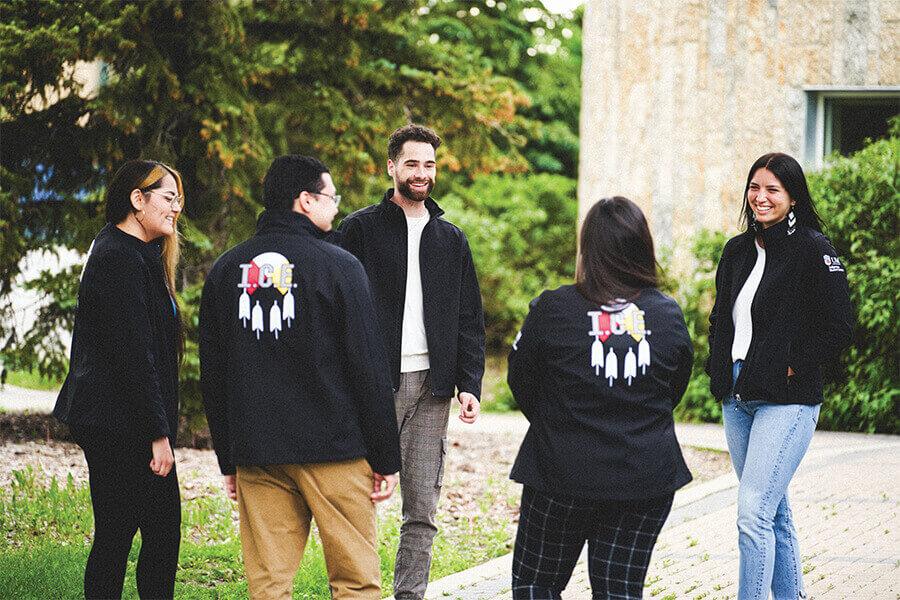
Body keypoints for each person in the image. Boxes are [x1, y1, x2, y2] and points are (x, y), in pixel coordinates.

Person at [199, 155, 401, 599]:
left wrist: (228, 457)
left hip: (258, 449)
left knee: (268, 584)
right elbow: (369, 367)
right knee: (355, 582)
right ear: (306, 201)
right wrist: (386, 457)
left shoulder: (225, 272)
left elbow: (213, 375)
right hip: (335, 450)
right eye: (332, 197)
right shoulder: (340, 267)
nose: (337, 207)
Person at [507, 196, 694, 599]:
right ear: (642, 246)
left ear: (587, 247)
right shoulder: (668, 315)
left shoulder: (552, 308)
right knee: (619, 593)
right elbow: (672, 387)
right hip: (642, 477)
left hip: (560, 473)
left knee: (534, 586)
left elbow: (521, 380)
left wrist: (558, 421)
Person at [337, 124, 485, 599]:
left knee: (421, 508)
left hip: (434, 387)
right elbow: (336, 310)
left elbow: (469, 317)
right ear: (391, 167)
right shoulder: (358, 230)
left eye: (429, 164)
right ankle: (360, 591)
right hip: (373, 385)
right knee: (357, 500)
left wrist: (470, 384)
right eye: (412, 163)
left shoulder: (451, 238)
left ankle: (409, 595)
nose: (422, 173)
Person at [706, 153, 854, 600]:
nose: (761, 197)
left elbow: (841, 326)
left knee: (752, 514)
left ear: (792, 196)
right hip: (738, 396)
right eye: (755, 187)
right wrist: (718, 374)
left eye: (773, 189)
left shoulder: (814, 248)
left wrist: (795, 365)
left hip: (788, 400)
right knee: (774, 512)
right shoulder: (736, 251)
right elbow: (720, 320)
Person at [53, 160, 185, 599]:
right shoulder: (118, 258)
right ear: (137, 199)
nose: (176, 208)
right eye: (168, 197)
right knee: (126, 536)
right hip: (119, 425)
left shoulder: (137, 254)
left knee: (144, 535)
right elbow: (133, 356)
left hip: (125, 420)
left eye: (177, 200)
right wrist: (157, 433)